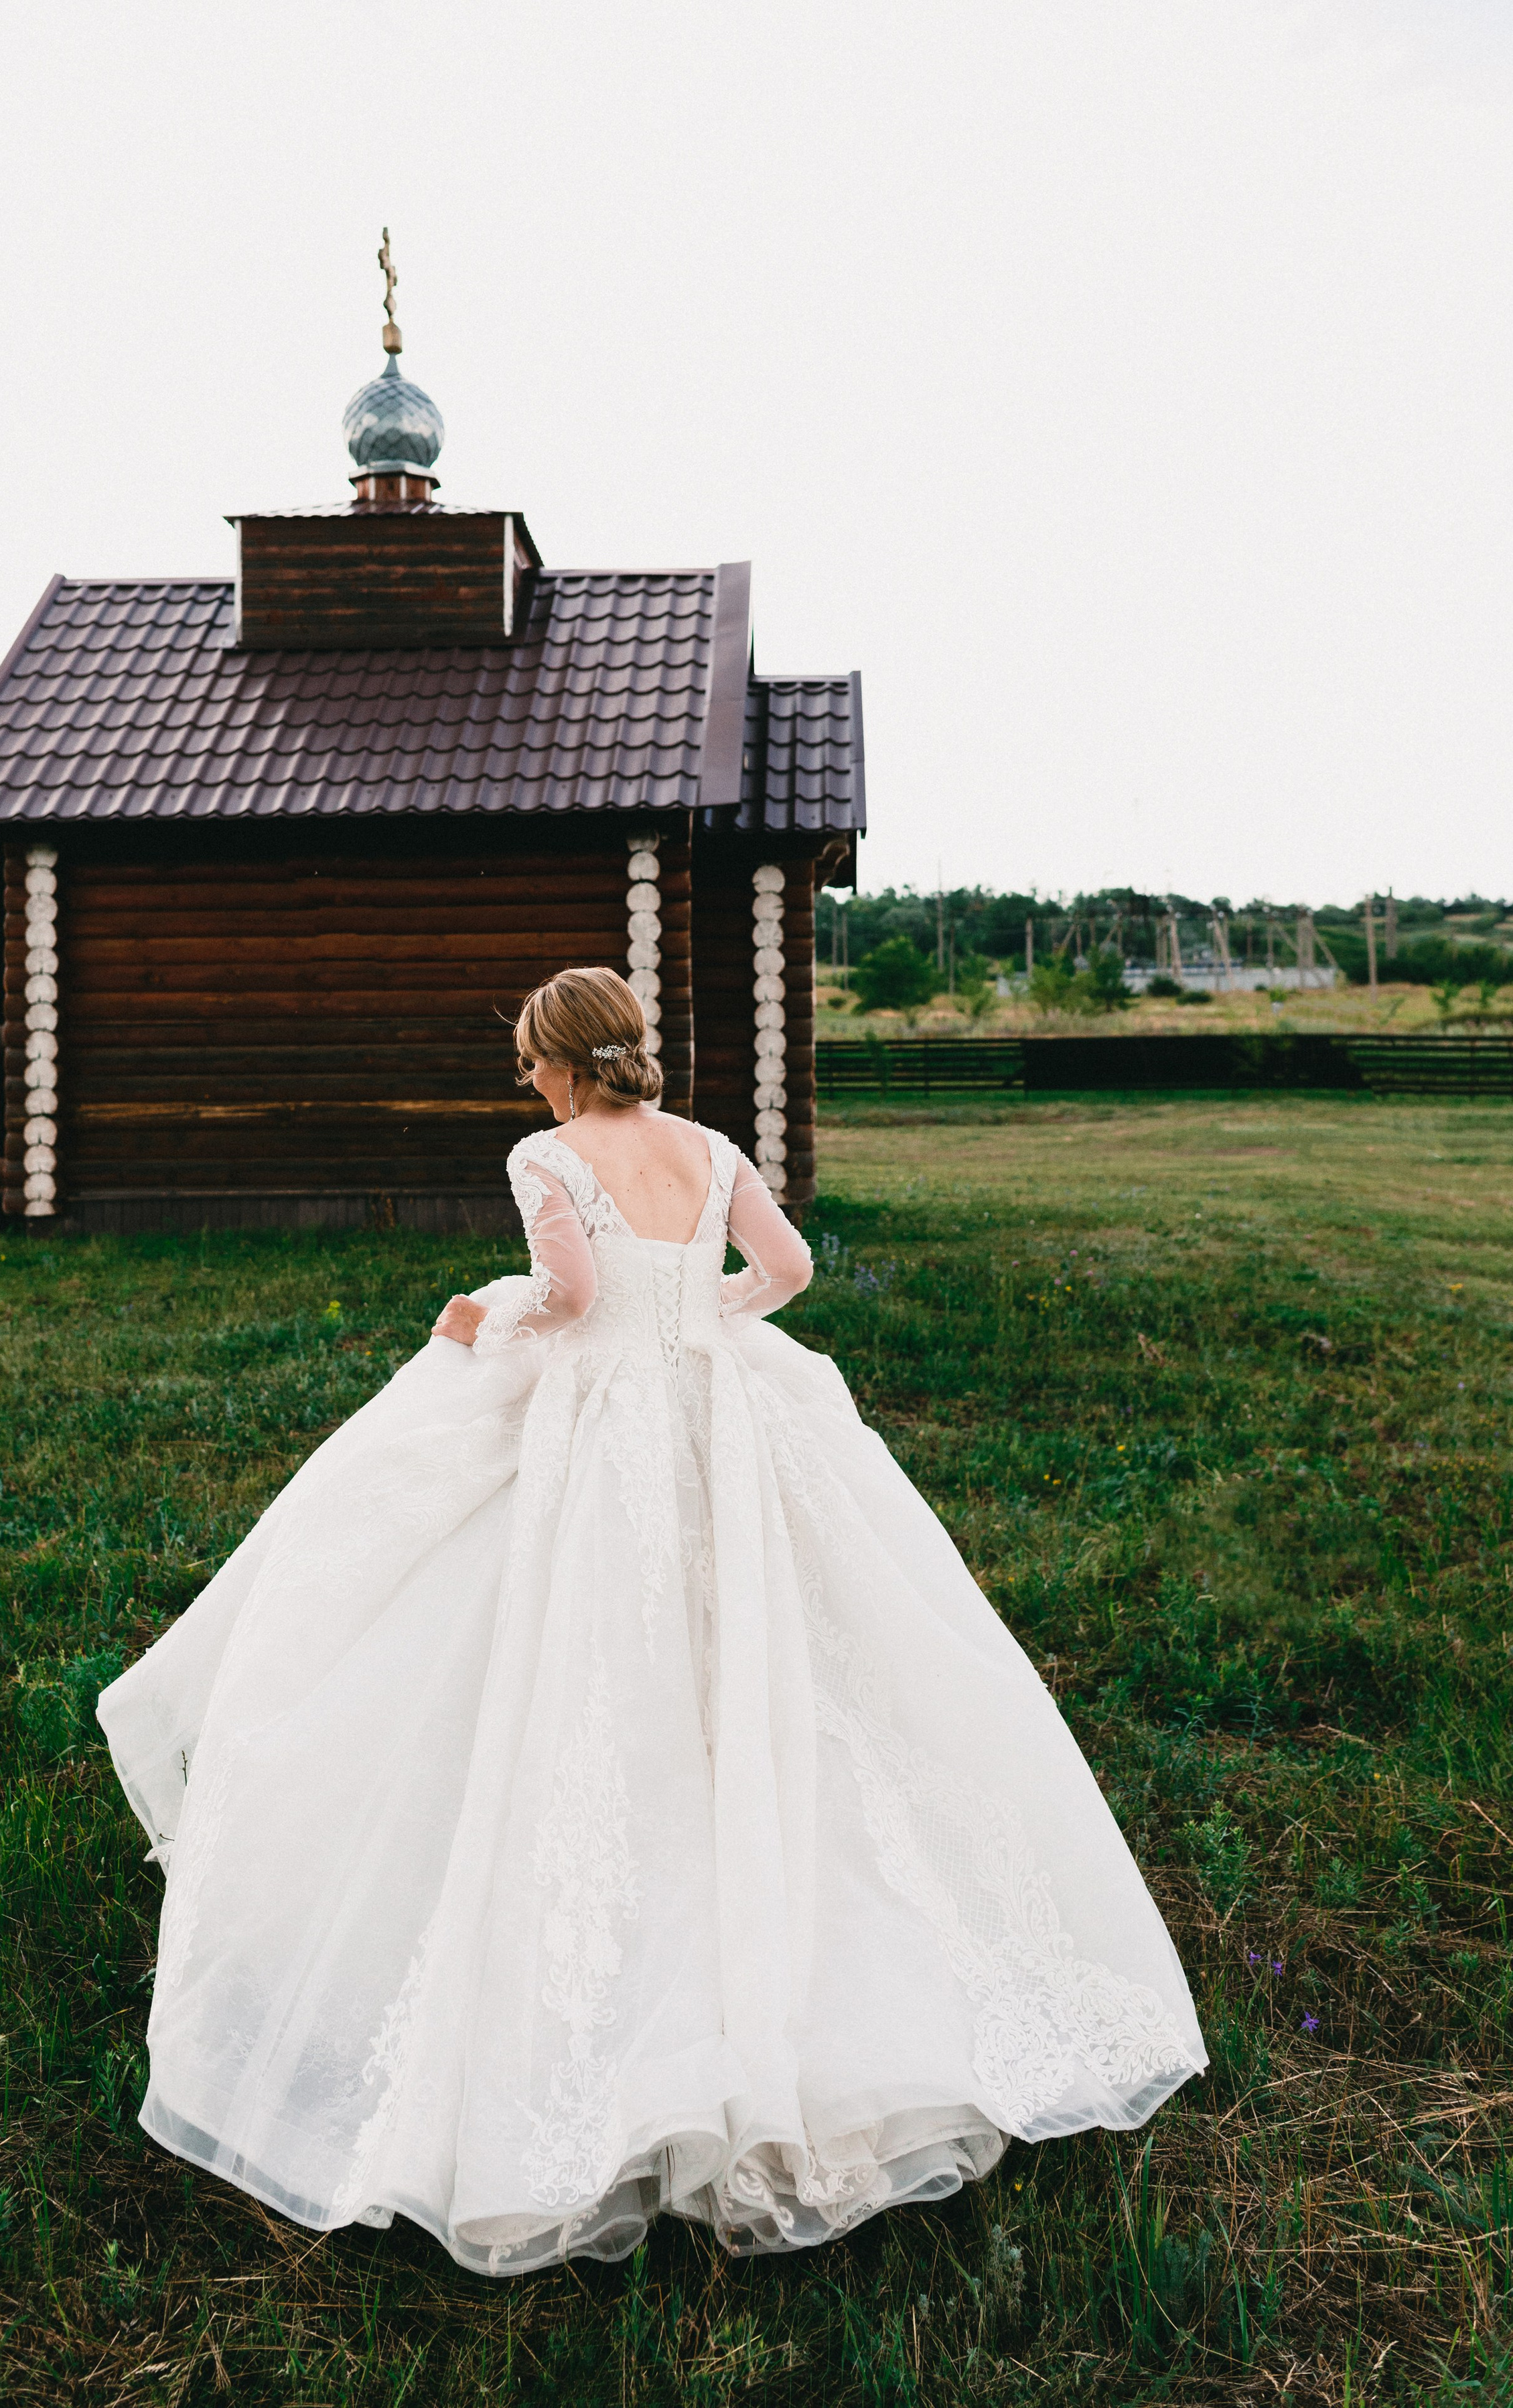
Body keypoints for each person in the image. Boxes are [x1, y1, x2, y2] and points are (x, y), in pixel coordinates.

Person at [98, 965, 1204, 2273]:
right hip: (717, 1408)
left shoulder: (545, 1155)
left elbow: (565, 1299)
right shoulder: (713, 1145)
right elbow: (783, 1268)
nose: (527, 1082)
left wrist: (484, 1313)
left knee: (587, 1649)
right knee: (753, 1637)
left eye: (529, 1061)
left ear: (561, 1063)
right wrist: (704, 1319)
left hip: (607, 1425)